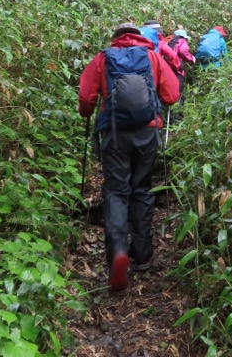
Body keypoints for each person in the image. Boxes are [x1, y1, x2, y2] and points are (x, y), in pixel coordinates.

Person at [78, 22, 179, 291]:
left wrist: (88, 112)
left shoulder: (102, 58)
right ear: (137, 36)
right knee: (141, 190)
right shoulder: (152, 56)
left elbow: (86, 99)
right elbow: (171, 96)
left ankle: (119, 252)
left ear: (115, 39)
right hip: (147, 133)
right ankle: (143, 255)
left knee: (116, 191)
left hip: (114, 135)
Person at [167, 28, 196, 114]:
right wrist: (192, 58)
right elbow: (183, 51)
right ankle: (177, 116)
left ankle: (171, 116)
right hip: (178, 69)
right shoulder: (182, 41)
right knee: (179, 93)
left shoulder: (170, 42)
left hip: (169, 70)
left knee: (171, 92)